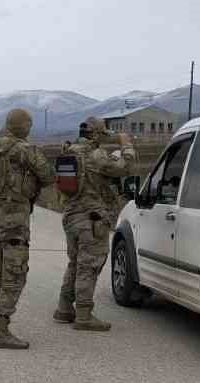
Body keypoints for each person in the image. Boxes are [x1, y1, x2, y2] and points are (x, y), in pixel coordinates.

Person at [0, 107, 57, 350]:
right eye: (29, 125)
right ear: (22, 127)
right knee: (15, 274)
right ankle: (0, 330)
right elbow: (49, 175)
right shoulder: (24, 149)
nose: (30, 129)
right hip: (13, 223)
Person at [56, 118, 139, 332]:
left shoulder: (68, 151)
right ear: (96, 134)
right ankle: (83, 315)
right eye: (104, 133)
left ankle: (65, 308)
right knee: (89, 266)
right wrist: (126, 144)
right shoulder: (95, 154)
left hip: (71, 216)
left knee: (75, 263)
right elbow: (125, 168)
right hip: (91, 219)